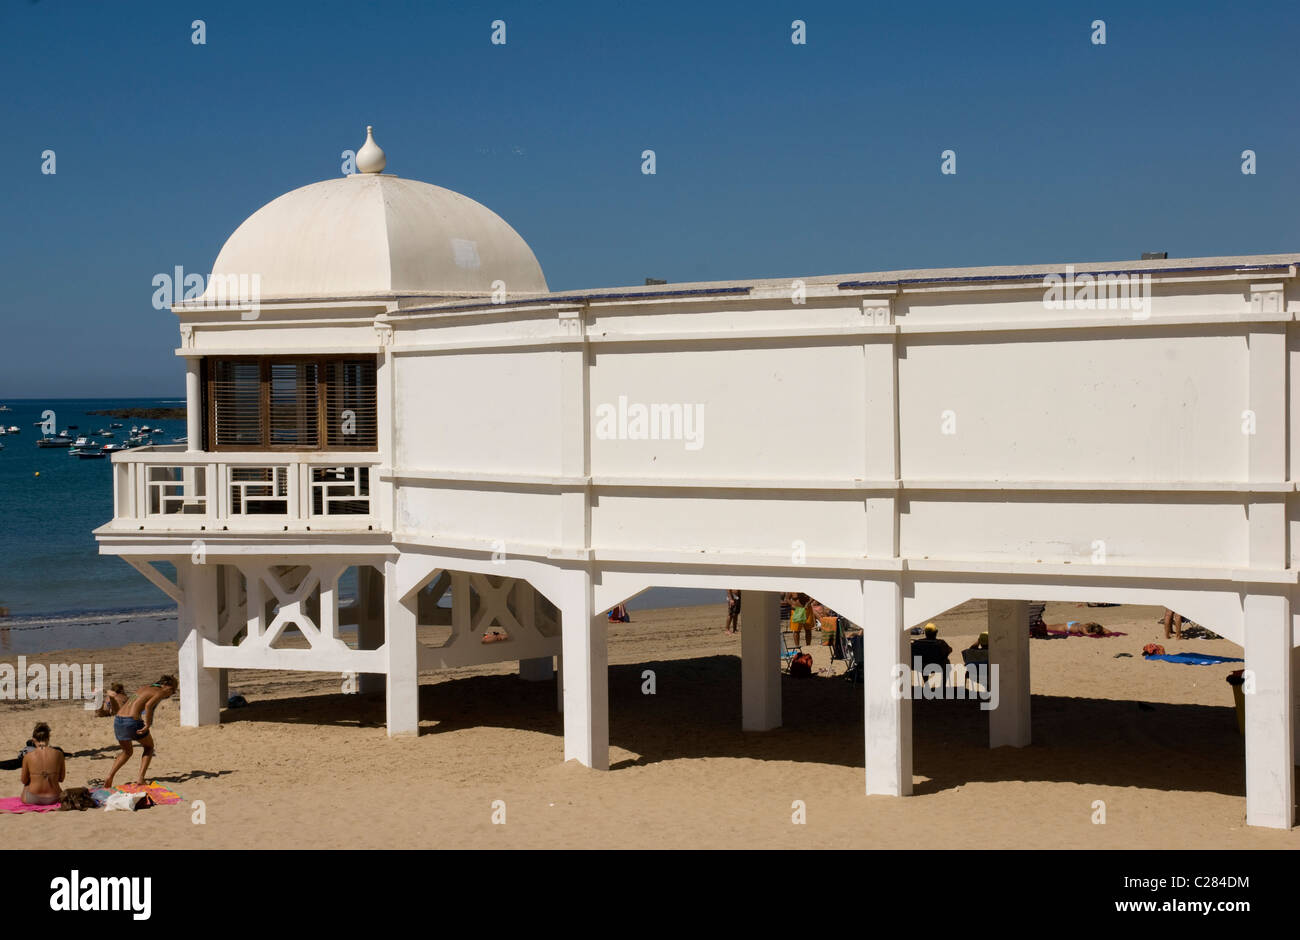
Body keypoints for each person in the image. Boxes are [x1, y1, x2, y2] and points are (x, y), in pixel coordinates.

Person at [104, 675, 176, 789]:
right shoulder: (160, 691)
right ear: (167, 686)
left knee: (127, 752)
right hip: (132, 721)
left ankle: (110, 776)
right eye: (172, 691)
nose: (170, 695)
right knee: (149, 747)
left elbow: (131, 703)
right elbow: (148, 706)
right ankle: (140, 778)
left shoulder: (143, 688)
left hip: (118, 720)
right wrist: (148, 723)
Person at [20, 722, 64, 805]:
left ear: (33, 739)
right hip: (55, 797)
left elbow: (24, 780)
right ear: (48, 738)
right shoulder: (59, 754)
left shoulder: (28, 756)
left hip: (33, 799)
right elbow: (61, 779)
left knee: (27, 785)